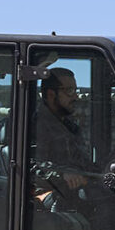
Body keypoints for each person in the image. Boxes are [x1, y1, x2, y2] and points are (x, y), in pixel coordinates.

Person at [32, 68, 97, 202]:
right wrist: (62, 175)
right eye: (69, 91)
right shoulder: (36, 125)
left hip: (70, 191)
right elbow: (33, 166)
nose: (75, 97)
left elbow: (81, 161)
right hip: (45, 194)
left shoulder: (70, 126)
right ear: (51, 95)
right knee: (105, 204)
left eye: (75, 90)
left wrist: (106, 167)